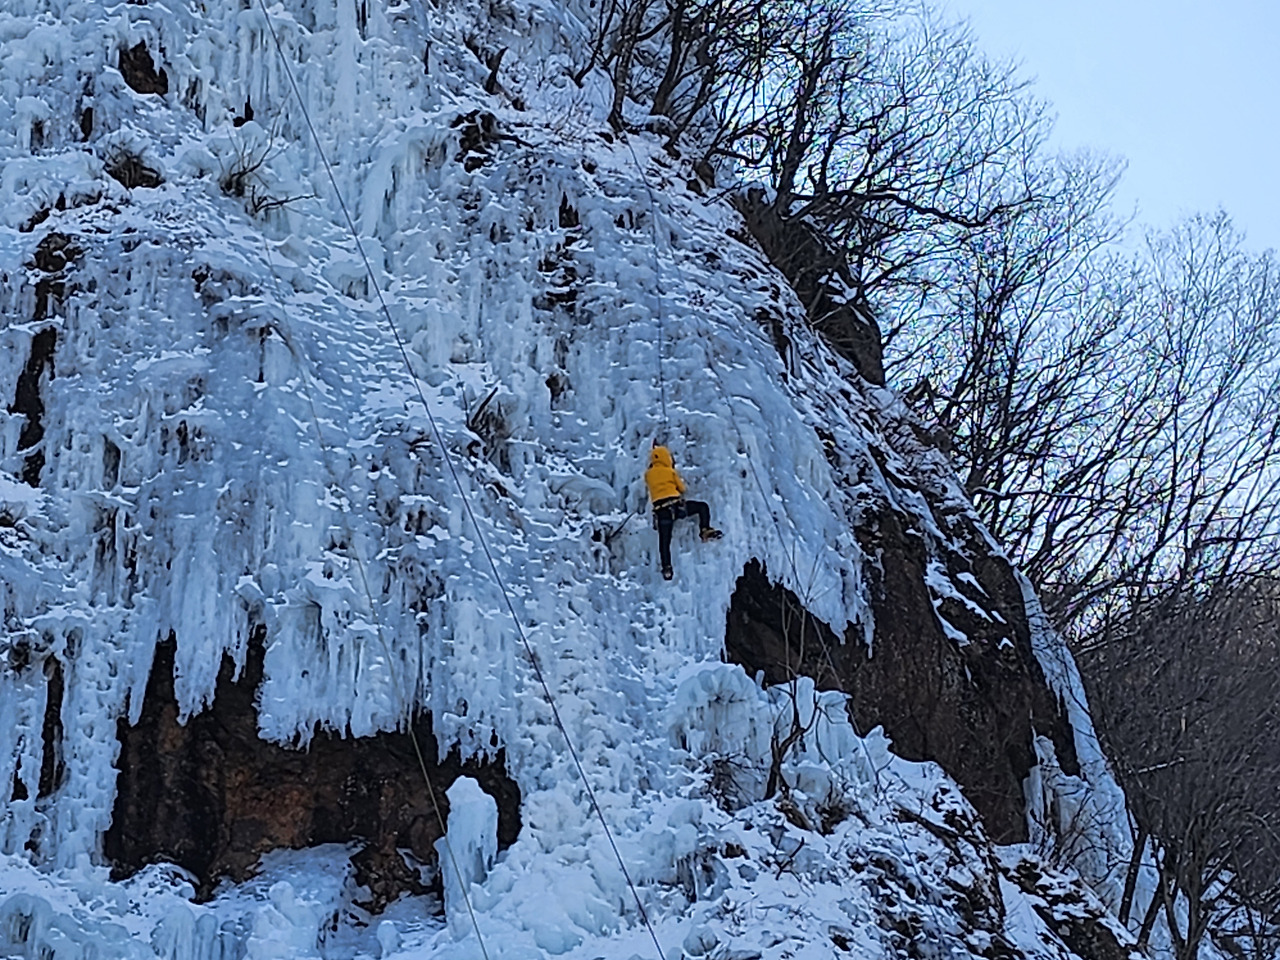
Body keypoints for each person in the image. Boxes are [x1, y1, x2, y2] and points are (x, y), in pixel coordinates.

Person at [643, 444, 721, 581]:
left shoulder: (648, 475)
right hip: (677, 507)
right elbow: (682, 488)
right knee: (702, 507)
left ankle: (667, 568)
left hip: (661, 512)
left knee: (664, 541)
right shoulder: (670, 472)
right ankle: (704, 529)